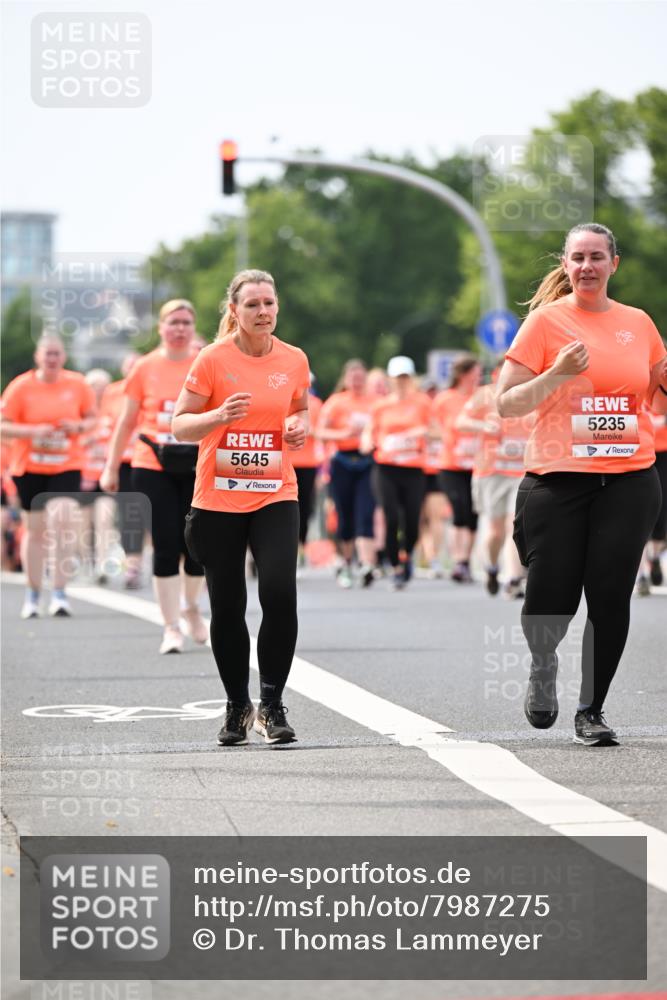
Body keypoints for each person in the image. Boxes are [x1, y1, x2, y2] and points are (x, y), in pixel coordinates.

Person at [496, 222, 667, 747]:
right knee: (550, 597)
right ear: (566, 266)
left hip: (629, 479)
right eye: (577, 258)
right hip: (558, 480)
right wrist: (557, 375)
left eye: (597, 256)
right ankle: (543, 666)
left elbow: (657, 397)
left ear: (615, 263)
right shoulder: (547, 323)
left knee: (611, 596)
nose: (587, 266)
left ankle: (591, 709)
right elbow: (507, 404)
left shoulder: (637, 323)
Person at [171, 269, 310, 747]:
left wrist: (297, 427)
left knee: (278, 592)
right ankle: (237, 705)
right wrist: (217, 416)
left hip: (275, 491)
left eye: (269, 303)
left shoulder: (293, 359)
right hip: (218, 498)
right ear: (235, 311)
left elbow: (300, 408)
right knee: (227, 604)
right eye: (252, 305)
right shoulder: (212, 359)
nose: (263, 312)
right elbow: (180, 426)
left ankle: (271, 705)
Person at [101, 300, 208, 653]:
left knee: (196, 545)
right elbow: (126, 421)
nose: (180, 328)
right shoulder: (145, 367)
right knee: (165, 544)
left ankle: (191, 607)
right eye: (173, 322)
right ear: (161, 327)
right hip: (151, 463)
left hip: (197, 463)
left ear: (193, 328)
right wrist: (112, 466)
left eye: (186, 322)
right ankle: (170, 627)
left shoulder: (205, 363)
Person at [0, 334, 97, 617]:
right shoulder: (20, 387)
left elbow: (93, 418)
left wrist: (77, 427)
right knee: (36, 531)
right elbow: (3, 427)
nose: (52, 359)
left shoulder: (77, 384)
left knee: (62, 517)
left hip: (67, 464)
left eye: (57, 354)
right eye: (48, 354)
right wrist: (33, 431)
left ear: (63, 357)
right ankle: (32, 595)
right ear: (38, 357)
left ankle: (59, 592)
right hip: (29, 466)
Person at [456, 368, 533, 597]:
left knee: (514, 526)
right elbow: (461, 421)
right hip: (491, 472)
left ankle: (513, 578)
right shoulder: (485, 395)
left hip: (521, 471)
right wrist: (483, 426)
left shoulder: (531, 394)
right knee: (495, 532)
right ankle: (491, 566)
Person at [362, 355, 431, 589]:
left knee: (411, 520)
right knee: (390, 517)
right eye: (397, 377)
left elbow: (438, 432)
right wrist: (366, 442)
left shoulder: (422, 403)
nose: (401, 381)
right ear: (390, 379)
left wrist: (416, 433)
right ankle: (395, 566)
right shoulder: (381, 406)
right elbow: (369, 431)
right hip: (386, 468)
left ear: (411, 379)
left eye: (405, 377)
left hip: (413, 469)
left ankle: (407, 554)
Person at [317, 360, 376, 588]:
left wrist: (370, 436)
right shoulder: (336, 402)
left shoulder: (375, 403)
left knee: (366, 510)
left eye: (361, 377)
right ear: (346, 379)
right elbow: (320, 432)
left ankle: (367, 562)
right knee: (344, 513)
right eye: (354, 378)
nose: (358, 382)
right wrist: (344, 433)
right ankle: (346, 560)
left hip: (367, 461)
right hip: (341, 461)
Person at [432, 355, 482, 582]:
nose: (479, 377)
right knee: (458, 509)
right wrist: (447, 435)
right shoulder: (444, 399)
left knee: (472, 514)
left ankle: (466, 560)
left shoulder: (481, 397)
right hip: (451, 463)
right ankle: (457, 559)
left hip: (478, 463)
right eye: (476, 372)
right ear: (464, 374)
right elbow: (432, 427)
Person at [99, 352, 147, 589]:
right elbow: (107, 423)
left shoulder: (150, 389)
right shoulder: (113, 392)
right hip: (125, 462)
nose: (134, 371)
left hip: (149, 460)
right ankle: (133, 565)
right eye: (130, 366)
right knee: (131, 515)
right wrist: (110, 465)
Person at [291, 373, 323, 567]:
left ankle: (299, 548)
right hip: (281, 462)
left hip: (307, 463)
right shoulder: (280, 398)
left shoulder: (316, 404)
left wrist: (302, 429)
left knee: (304, 510)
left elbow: (320, 431)